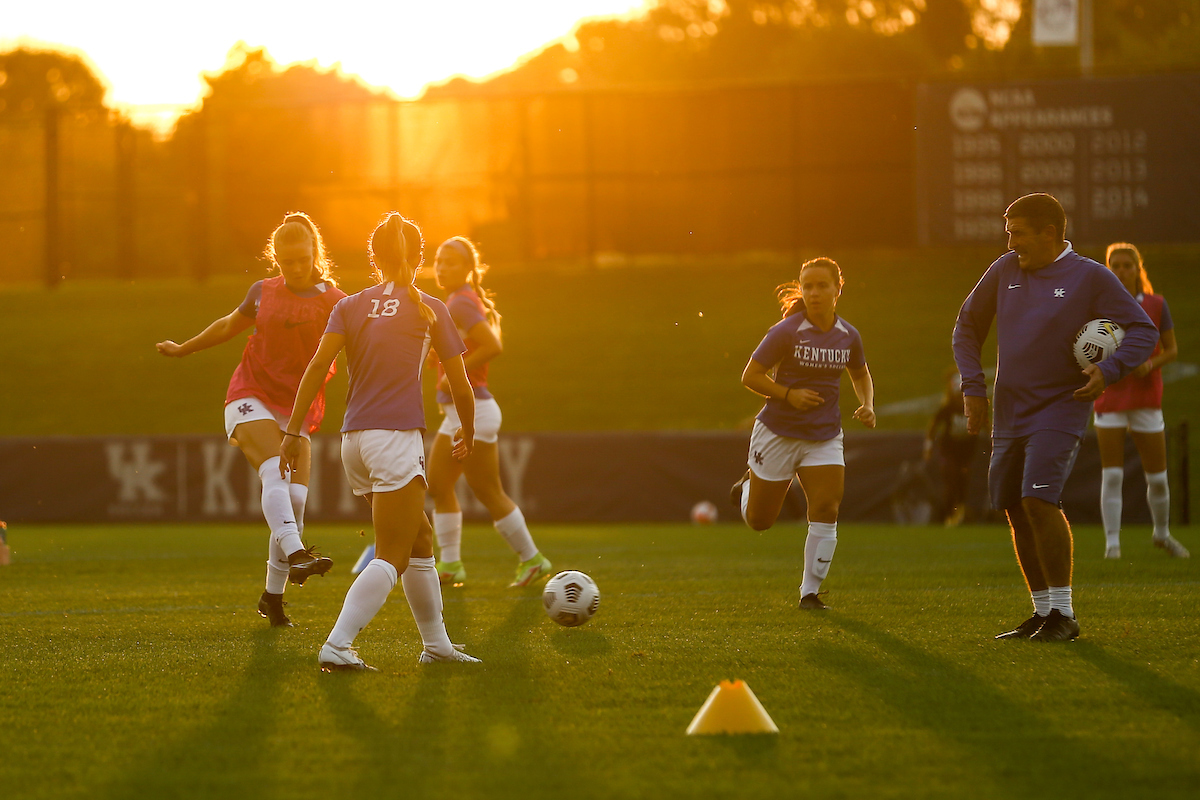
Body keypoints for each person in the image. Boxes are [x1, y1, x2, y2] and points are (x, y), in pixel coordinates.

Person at [954, 193, 1159, 643]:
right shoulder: (1004, 271)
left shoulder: (1090, 277)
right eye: (1007, 234)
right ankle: (1043, 611)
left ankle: (1064, 614)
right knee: (1014, 506)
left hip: (1060, 406)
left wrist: (1107, 370)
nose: (1010, 244)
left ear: (1050, 233)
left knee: (1038, 499)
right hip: (1009, 410)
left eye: (1017, 234)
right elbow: (966, 326)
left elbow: (1144, 329)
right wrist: (972, 387)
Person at [282, 212, 480, 671]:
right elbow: (461, 384)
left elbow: (317, 369)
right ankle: (338, 643)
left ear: (374, 258)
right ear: (419, 257)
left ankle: (438, 647)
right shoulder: (431, 306)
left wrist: (292, 431)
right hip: (394, 437)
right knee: (392, 551)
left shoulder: (349, 305)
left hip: (354, 439)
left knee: (420, 539)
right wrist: (468, 435)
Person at [156, 212, 346, 627]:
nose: (295, 268)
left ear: (315, 253)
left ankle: (272, 599)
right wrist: (184, 348)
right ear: (275, 258)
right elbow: (228, 325)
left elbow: (365, 345)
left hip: (295, 411)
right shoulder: (263, 292)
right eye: (285, 261)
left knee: (295, 503)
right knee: (274, 476)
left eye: (301, 259)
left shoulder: (335, 302)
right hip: (250, 395)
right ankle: (298, 556)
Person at [348, 239, 554, 588]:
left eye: (452, 263)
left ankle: (518, 559)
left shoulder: (458, 303)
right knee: (456, 486)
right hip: (469, 411)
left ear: (468, 269)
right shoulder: (459, 301)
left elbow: (492, 345)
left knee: (468, 488)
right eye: (439, 262)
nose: (442, 268)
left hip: (472, 410)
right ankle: (468, 562)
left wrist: (450, 371)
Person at [730, 257, 876, 610]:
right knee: (760, 522)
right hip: (777, 433)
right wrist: (788, 394)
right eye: (807, 286)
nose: (813, 292)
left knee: (826, 506)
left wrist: (868, 404)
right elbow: (750, 376)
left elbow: (860, 374)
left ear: (838, 289)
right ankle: (748, 484)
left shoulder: (848, 335)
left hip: (824, 436)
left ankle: (809, 593)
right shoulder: (785, 332)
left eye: (822, 285)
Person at [1093, 243, 1187, 559]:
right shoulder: (1097, 305)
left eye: (1126, 265)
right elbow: (1085, 347)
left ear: (1137, 269)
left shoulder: (1157, 304)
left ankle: (1162, 535)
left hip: (1146, 397)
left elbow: (1172, 350)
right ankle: (1112, 547)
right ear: (1108, 269)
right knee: (1113, 473)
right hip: (1110, 396)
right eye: (1114, 265)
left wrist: (1151, 364)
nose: (1120, 270)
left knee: (1157, 477)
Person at [924, 372, 980, 526]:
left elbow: (982, 424)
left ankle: (959, 512)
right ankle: (949, 514)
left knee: (962, 481)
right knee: (951, 479)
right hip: (949, 450)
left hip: (965, 451)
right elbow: (933, 426)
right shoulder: (948, 408)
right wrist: (928, 446)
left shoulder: (972, 407)